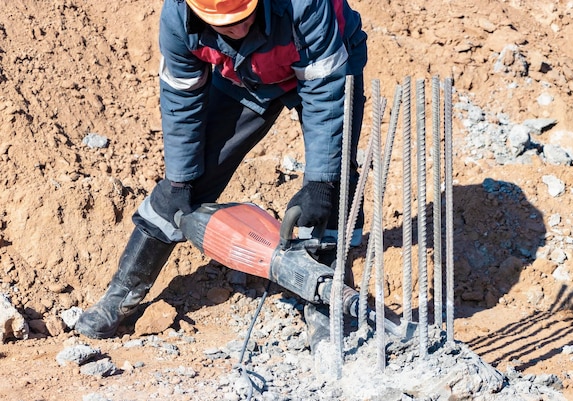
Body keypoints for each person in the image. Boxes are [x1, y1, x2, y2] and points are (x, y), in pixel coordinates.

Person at [75, 0, 368, 353]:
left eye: (244, 18)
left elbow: (324, 93)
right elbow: (182, 101)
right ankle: (122, 294)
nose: (239, 29)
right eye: (226, 25)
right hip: (244, 76)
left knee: (333, 182)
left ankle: (324, 305)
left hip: (325, 62)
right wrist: (182, 180)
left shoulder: (303, 6)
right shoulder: (179, 20)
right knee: (188, 178)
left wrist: (320, 181)